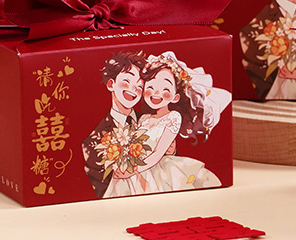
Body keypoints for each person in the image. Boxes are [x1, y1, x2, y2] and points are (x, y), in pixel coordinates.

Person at [104, 51, 230, 196]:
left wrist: (133, 170)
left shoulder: (173, 117)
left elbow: (158, 153)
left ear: (175, 97)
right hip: (137, 168)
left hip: (155, 170)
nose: (156, 93)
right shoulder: (144, 118)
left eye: (165, 89)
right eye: (150, 87)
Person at [81, 51, 146, 198]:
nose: (133, 89)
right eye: (127, 81)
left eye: (140, 86)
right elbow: (99, 190)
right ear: (111, 84)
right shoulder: (94, 139)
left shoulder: (148, 121)